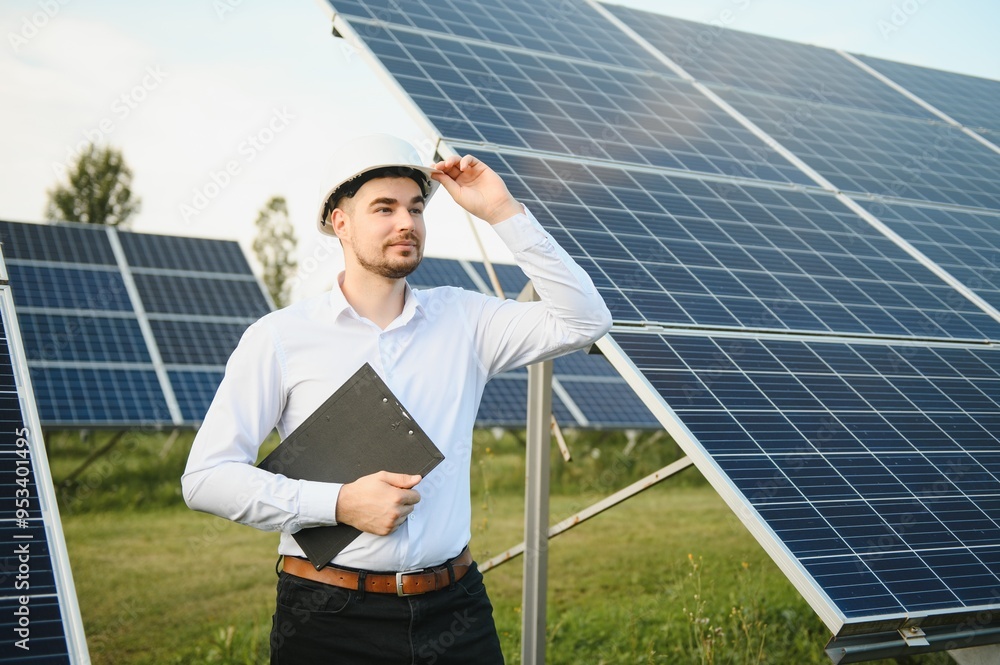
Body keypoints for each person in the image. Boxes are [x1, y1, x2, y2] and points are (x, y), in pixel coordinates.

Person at [182, 133, 612, 664]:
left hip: (455, 607)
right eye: (383, 208)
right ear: (340, 222)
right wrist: (338, 503)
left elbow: (586, 319)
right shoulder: (279, 338)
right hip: (327, 616)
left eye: (414, 208)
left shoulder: (465, 320)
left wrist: (502, 211)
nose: (405, 222)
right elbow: (205, 478)